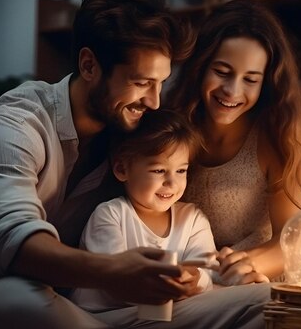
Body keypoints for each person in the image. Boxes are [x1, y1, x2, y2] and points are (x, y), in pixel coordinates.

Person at [0, 0, 271, 329]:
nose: (154, 102)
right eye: (141, 82)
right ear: (89, 66)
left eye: (160, 83)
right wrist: (115, 271)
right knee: (27, 295)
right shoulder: (14, 122)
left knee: (265, 301)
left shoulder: (130, 134)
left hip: (85, 308)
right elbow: (15, 244)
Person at [165, 0, 301, 286]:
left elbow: (296, 238)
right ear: (200, 67)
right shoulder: (172, 125)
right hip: (183, 280)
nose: (232, 91)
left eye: (250, 79)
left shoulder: (277, 134)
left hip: (253, 278)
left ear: (267, 82)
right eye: (222, 72)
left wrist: (245, 264)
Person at [71, 109, 216, 316]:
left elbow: (208, 273)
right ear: (122, 170)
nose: (171, 183)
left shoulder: (192, 219)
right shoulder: (110, 215)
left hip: (170, 312)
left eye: (181, 170)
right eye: (158, 170)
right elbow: (118, 279)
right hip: (108, 316)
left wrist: (195, 278)